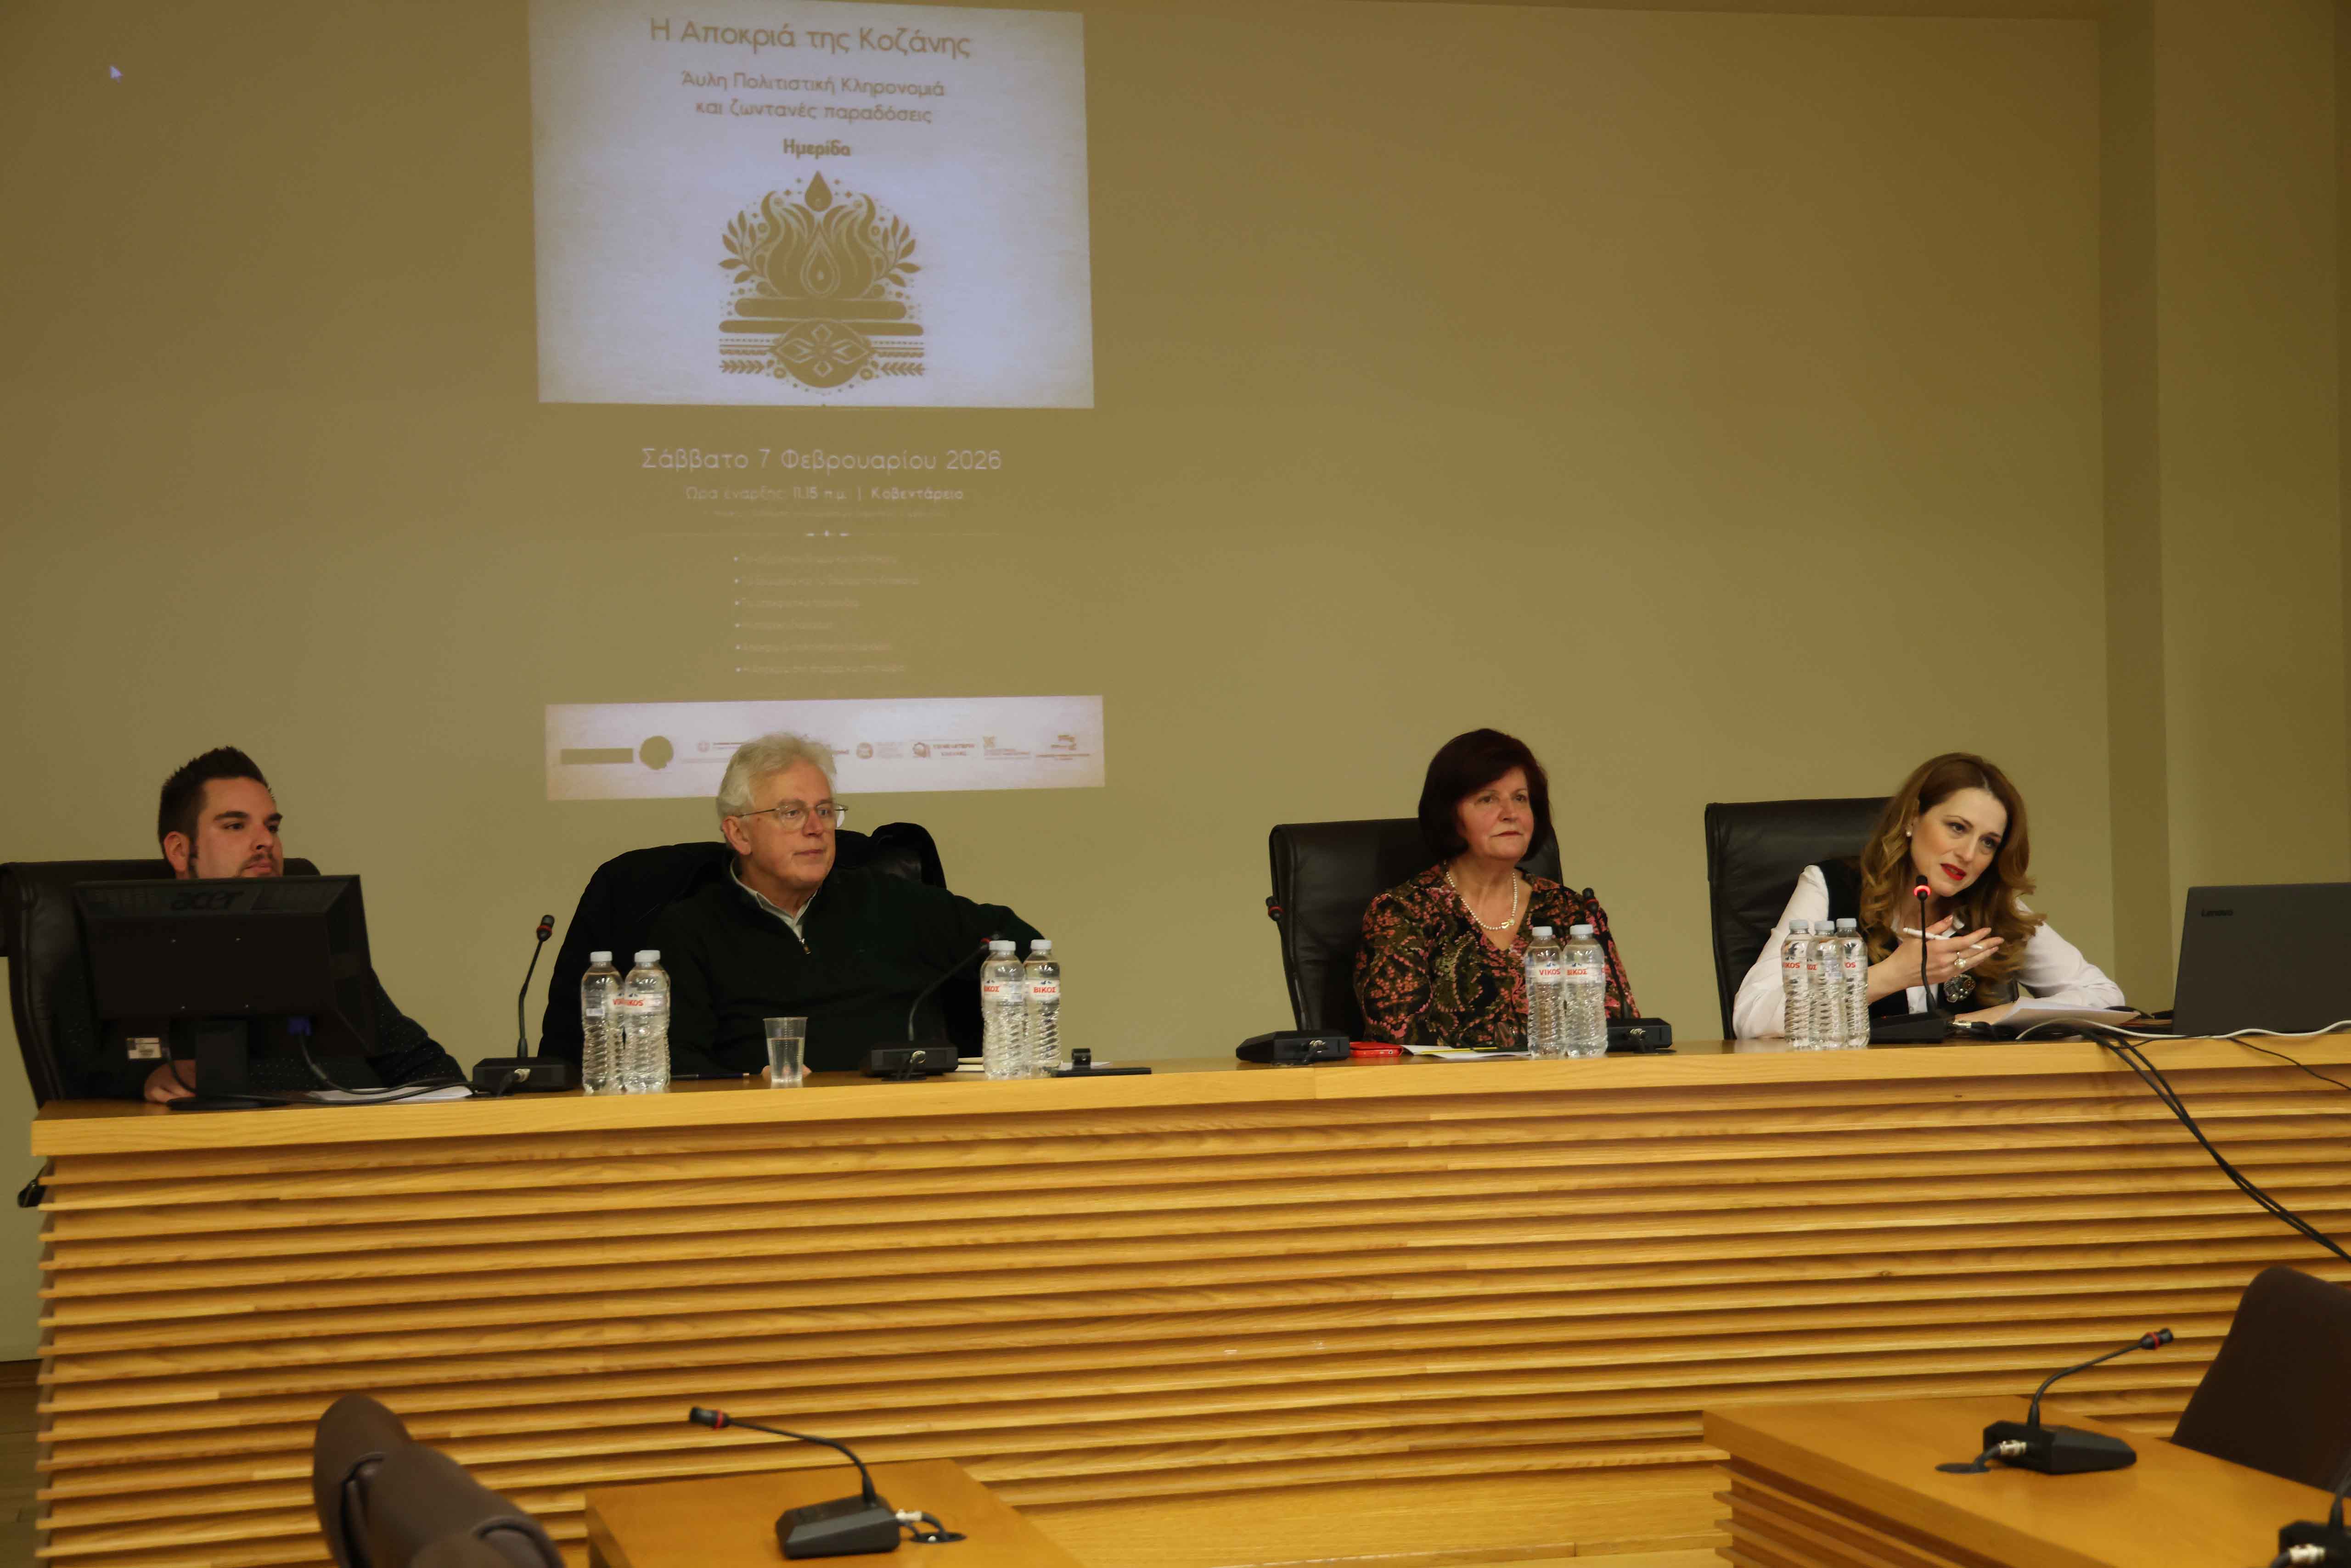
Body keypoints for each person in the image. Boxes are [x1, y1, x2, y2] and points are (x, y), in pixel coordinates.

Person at [648, 732, 1041, 1075]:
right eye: (791, 813)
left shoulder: (890, 900)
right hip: (767, 1125)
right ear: (739, 834)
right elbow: (677, 1066)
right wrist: (751, 1087)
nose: (816, 828)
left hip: (906, 1116)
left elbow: (1018, 943)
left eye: (824, 811)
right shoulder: (690, 930)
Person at [131, 747, 464, 1102]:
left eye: (272, 827)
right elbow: (99, 1075)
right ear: (180, 851)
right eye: (235, 826)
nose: (266, 841)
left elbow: (433, 1071)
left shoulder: (317, 949)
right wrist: (144, 1079)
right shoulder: (132, 958)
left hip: (352, 1133)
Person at [1731, 751, 2125, 1038]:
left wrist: (2003, 1015)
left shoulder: (1992, 909)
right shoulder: (1829, 887)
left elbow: (2105, 996)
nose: (1968, 854)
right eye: (1957, 828)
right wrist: (1890, 975)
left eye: (1988, 842)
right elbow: (1751, 1016)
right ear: (1911, 818)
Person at [1355, 729, 1637, 1048]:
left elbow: (1621, 1027)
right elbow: (1399, 1039)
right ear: (1451, 816)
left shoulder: (1570, 911)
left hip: (1564, 1080)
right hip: (1447, 1083)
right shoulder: (1403, 913)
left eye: (1520, 798)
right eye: (1488, 799)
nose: (1510, 813)